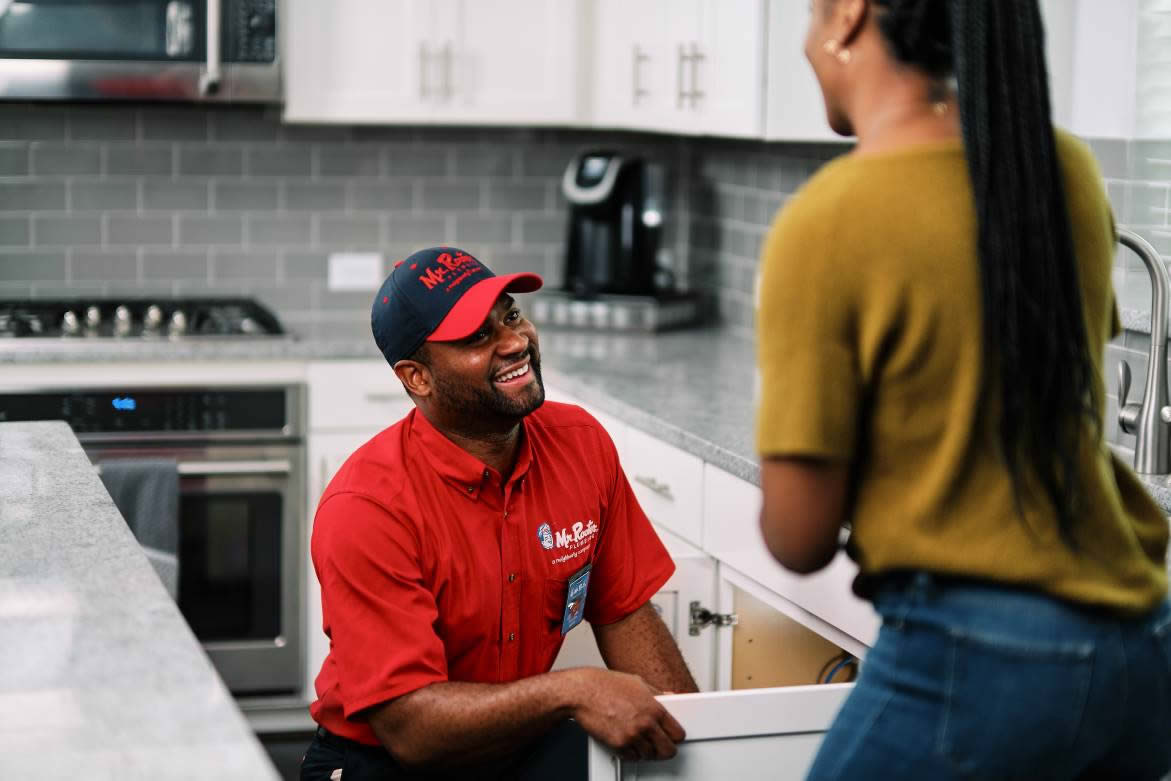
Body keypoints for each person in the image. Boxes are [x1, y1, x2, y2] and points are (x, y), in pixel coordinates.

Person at [755, 0, 1171, 778]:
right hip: (1137, 647)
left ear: (847, 14)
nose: (807, 41)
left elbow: (797, 536)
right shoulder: (1067, 172)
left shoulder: (828, 219)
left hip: (978, 659)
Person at [302, 246, 697, 780]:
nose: (515, 342)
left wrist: (706, 747)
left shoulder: (579, 443)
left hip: (516, 742)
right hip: (386, 758)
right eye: (476, 337)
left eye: (510, 315)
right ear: (417, 377)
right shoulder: (368, 509)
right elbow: (411, 728)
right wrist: (574, 689)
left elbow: (623, 609)